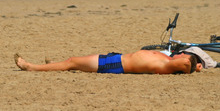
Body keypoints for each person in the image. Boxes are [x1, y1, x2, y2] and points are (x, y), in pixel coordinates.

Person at [14, 48, 207, 74]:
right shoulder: (167, 58)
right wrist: (196, 66)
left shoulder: (170, 64)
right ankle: (54, 65)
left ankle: (31, 67)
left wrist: (193, 65)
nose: (180, 54)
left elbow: (184, 65)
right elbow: (187, 64)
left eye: (183, 55)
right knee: (73, 62)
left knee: (72, 61)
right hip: (116, 59)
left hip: (115, 65)